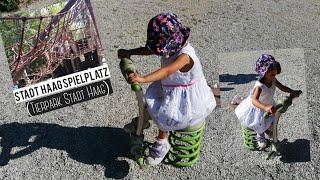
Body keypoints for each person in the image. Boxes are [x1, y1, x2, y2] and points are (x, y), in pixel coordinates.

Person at [118, 12, 216, 165]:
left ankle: (162, 143)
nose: (160, 52)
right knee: (152, 102)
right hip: (171, 87)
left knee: (166, 113)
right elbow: (149, 50)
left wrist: (142, 79)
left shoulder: (185, 57)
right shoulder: (172, 45)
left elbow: (167, 71)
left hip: (187, 98)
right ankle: (141, 122)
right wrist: (130, 52)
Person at [235, 54, 302, 150]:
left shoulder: (273, 79)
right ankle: (260, 136)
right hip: (258, 107)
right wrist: (265, 107)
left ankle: (266, 131)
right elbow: (254, 100)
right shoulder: (259, 85)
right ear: (264, 72)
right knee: (258, 122)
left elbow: (282, 87)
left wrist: (292, 91)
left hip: (268, 104)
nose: (274, 74)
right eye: (271, 72)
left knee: (270, 120)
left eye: (274, 71)